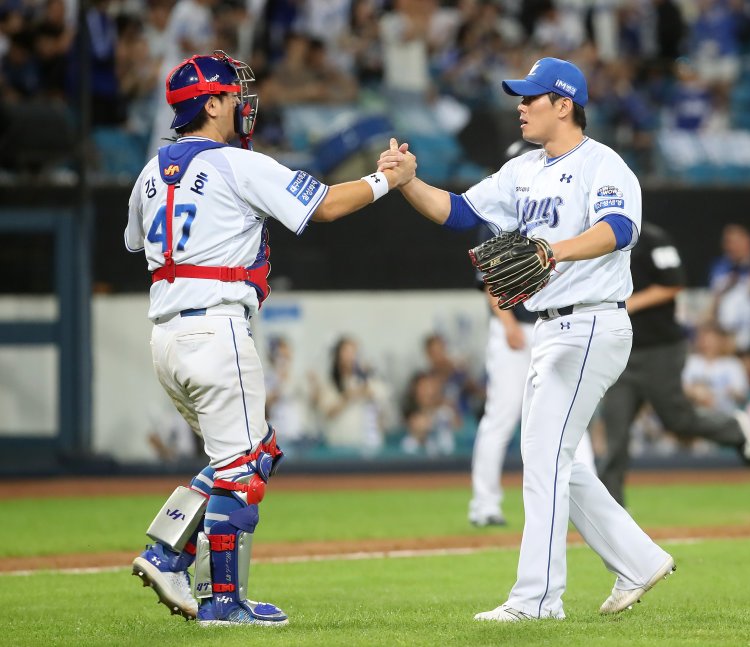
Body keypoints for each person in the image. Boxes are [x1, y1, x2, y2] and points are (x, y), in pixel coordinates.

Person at [125, 50, 416, 627]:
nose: (241, 102)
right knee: (241, 467)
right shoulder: (235, 164)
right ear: (210, 104)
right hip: (217, 328)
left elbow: (140, 244)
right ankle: (220, 602)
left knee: (254, 452)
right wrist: (387, 178)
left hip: (167, 336)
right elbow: (327, 206)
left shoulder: (150, 172)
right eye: (231, 94)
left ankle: (168, 552)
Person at [379, 56, 675, 621]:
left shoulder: (604, 165)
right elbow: (462, 213)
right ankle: (638, 559)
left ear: (564, 105)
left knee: (542, 454)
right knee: (555, 456)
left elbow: (619, 230)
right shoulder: (524, 171)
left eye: (531, 97)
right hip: (550, 327)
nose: (520, 105)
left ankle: (537, 600)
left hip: (592, 321)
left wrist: (552, 251)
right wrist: (408, 181)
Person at [598, 224, 750, 506]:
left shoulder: (652, 238)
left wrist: (628, 302)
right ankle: (614, 518)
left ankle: (733, 429)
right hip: (619, 352)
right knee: (615, 434)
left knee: (677, 420)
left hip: (659, 347)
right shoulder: (595, 240)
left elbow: (674, 282)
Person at [469, 223, 597, 528]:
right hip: (513, 327)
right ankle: (484, 505)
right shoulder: (496, 218)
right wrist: (507, 323)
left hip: (554, 324)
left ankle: (590, 505)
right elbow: (489, 280)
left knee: (569, 411)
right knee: (502, 416)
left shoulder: (554, 211)